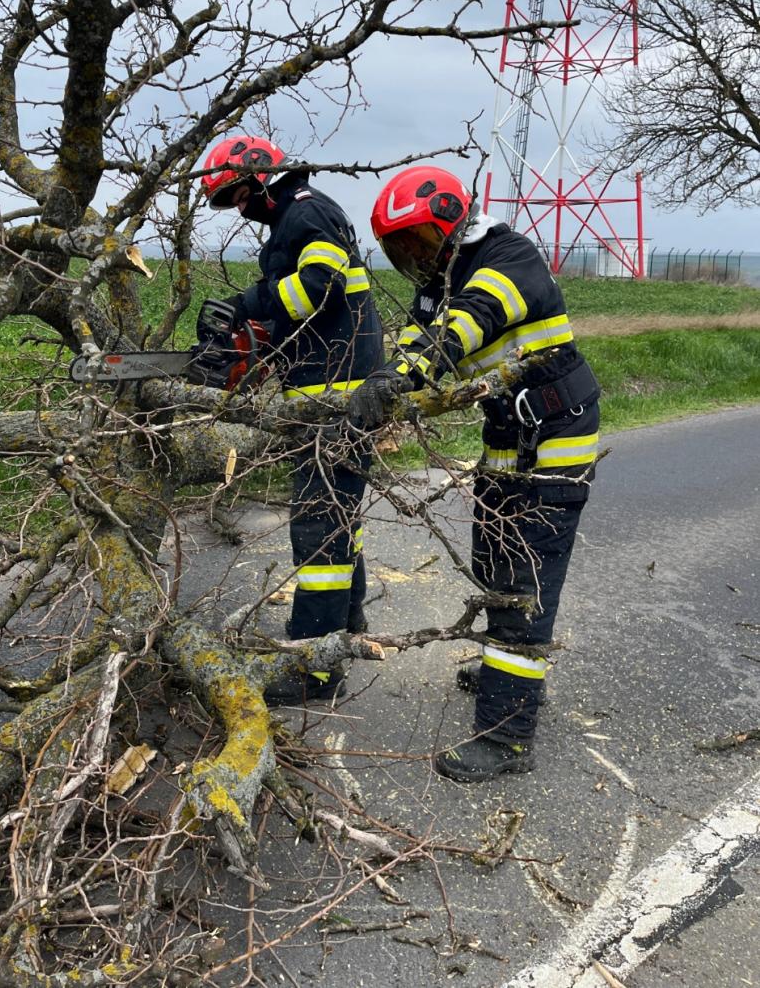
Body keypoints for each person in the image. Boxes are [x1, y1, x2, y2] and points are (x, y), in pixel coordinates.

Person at [347, 165, 600, 781]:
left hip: (555, 435)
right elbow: (419, 342)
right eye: (402, 250)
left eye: (420, 242)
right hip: (508, 435)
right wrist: (379, 391)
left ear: (454, 223)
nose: (415, 258)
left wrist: (402, 375)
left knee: (523, 579)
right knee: (492, 558)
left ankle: (507, 736)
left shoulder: (509, 259)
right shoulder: (437, 283)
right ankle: (507, 672)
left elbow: (467, 323)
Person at [200, 133, 384, 705]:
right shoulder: (292, 220)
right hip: (326, 386)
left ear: (260, 178)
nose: (239, 209)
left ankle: (314, 667)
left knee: (319, 525)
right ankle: (346, 623)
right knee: (338, 518)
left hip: (336, 394)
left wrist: (248, 306)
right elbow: (304, 312)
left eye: (238, 196)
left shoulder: (306, 214)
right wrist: (258, 348)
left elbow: (320, 289)